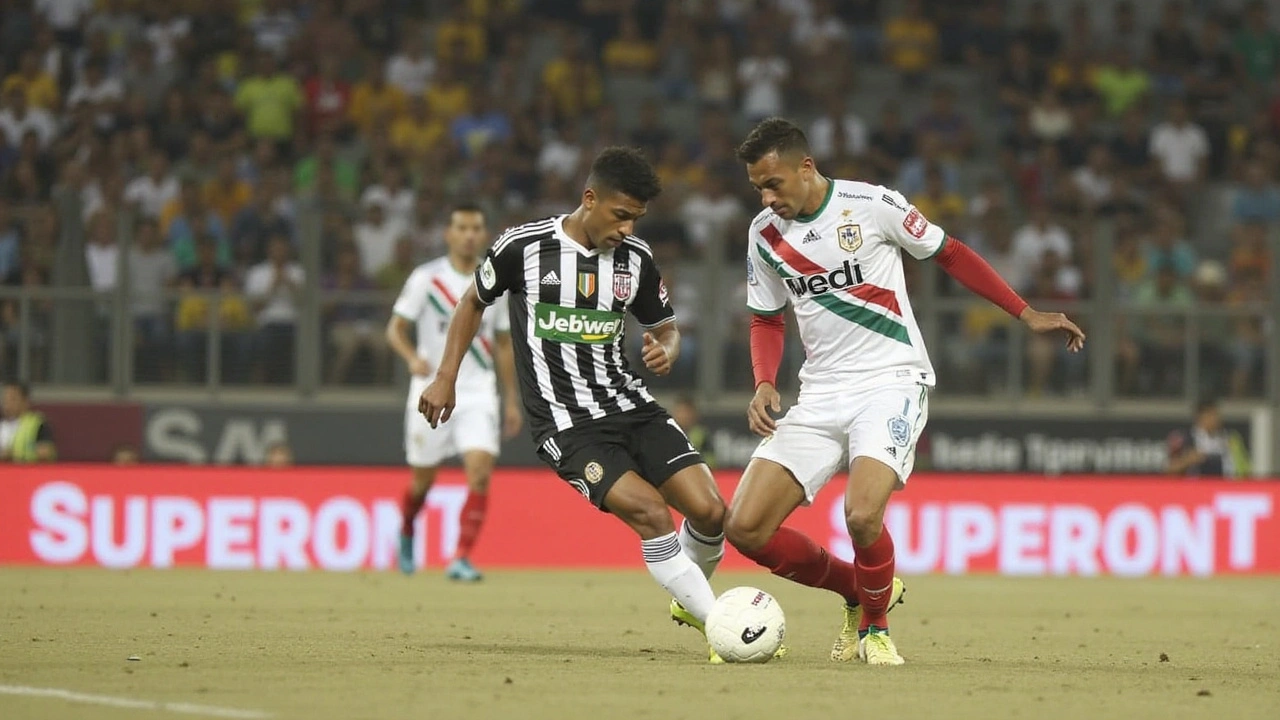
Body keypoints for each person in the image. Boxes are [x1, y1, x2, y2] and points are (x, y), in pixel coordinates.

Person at [728, 118, 1085, 665]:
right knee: (745, 528)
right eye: (758, 187)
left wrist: (1025, 311)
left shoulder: (872, 205)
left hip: (890, 379)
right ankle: (859, 589)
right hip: (820, 393)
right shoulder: (763, 235)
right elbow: (767, 319)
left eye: (773, 183)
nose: (766, 197)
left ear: (806, 167)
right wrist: (764, 382)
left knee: (862, 515)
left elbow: (952, 253)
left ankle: (875, 629)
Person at [419, 148, 741, 662]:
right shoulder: (522, 247)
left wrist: (667, 346)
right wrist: (445, 376)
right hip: (568, 426)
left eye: (636, 217)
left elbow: (665, 325)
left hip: (631, 405)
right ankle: (722, 623)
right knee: (652, 513)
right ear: (589, 199)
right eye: (620, 215)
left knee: (711, 511)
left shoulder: (635, 259)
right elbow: (472, 302)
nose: (627, 227)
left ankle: (691, 599)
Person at [388, 204, 522, 582]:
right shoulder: (426, 278)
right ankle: (408, 527)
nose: (468, 234)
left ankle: (461, 557)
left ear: (484, 234)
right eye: (461, 227)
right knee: (422, 481)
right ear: (448, 233)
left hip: (479, 389)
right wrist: (413, 358)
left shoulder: (493, 280)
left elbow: (503, 344)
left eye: (475, 228)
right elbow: (395, 328)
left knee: (479, 472)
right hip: (431, 387)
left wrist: (510, 399)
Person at [1167, 398, 1250, 478]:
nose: (1215, 419)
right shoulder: (1185, 438)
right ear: (1200, 417)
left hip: (1225, 487)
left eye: (1216, 414)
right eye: (1210, 415)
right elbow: (1169, 469)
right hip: (1195, 488)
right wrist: (1187, 460)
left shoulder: (1231, 438)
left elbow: (1245, 469)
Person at [0, 380, 56, 463]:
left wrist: (13, 453)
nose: (7, 403)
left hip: (26, 472)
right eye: (5, 399)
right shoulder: (2, 424)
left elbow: (45, 451)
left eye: (13, 399)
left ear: (25, 401)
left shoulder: (37, 424)